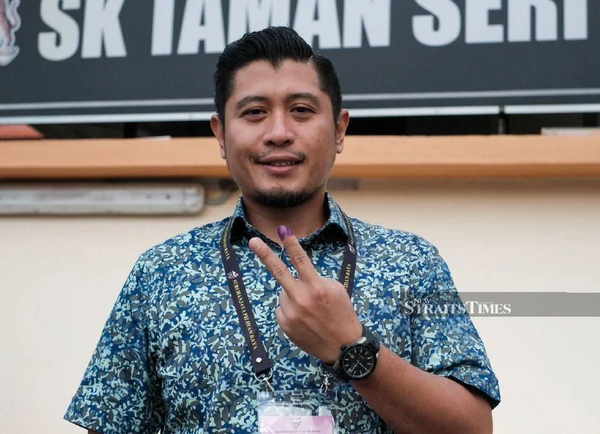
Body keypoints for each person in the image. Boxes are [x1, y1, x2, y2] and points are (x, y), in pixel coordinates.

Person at [65, 26, 500, 433]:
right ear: (220, 133)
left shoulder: (411, 263)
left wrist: (353, 349)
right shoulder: (160, 272)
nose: (278, 132)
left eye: (302, 111)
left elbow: (473, 426)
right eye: (254, 112)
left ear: (339, 129)